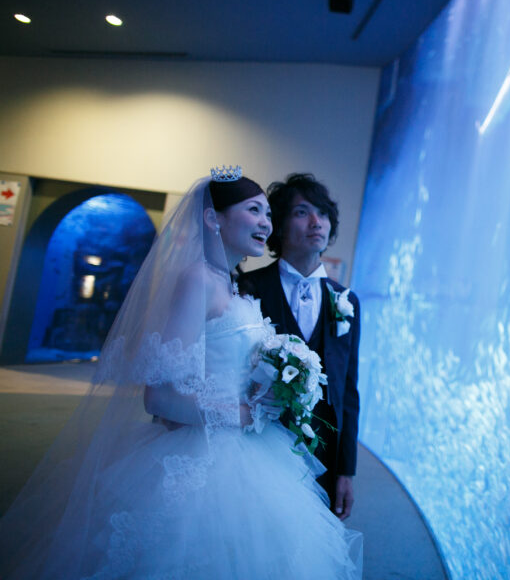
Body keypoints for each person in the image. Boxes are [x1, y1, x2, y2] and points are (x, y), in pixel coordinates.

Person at [0, 168, 362, 579]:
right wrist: (243, 412)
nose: (266, 222)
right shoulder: (197, 281)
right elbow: (158, 399)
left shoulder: (231, 286)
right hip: (207, 451)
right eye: (254, 210)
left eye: (267, 213)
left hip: (250, 446)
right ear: (213, 218)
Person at [238, 173, 360, 520]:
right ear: (277, 225)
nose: (316, 222)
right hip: (260, 440)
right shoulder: (248, 286)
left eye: (322, 213)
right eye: (302, 212)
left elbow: (348, 390)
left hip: (322, 449)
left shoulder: (346, 300)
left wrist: (346, 470)